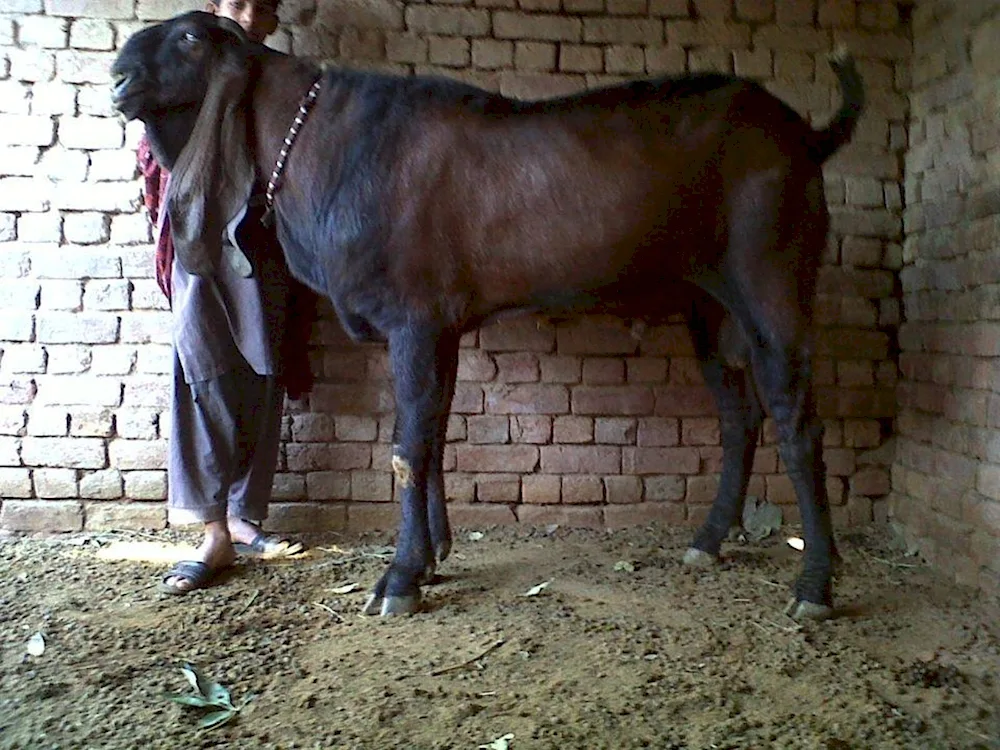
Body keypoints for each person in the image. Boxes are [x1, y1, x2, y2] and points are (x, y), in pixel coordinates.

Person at [138, 0, 318, 594]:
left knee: (262, 375)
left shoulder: (282, 75)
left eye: (263, 8)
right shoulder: (180, 68)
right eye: (238, 3)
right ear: (215, 8)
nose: (250, 17)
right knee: (202, 375)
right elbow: (156, 153)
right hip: (200, 246)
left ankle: (244, 517)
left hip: (265, 243)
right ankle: (212, 531)